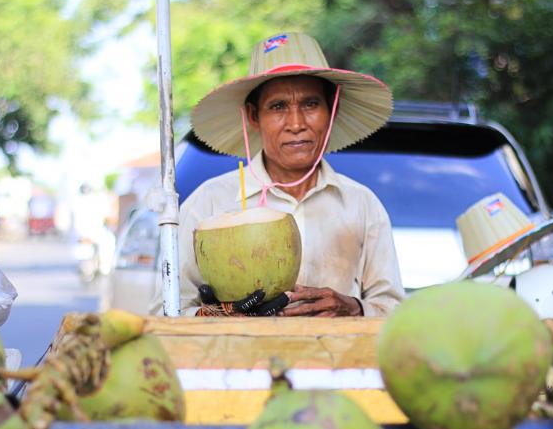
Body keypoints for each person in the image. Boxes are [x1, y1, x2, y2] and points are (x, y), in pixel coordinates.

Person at [151, 32, 404, 317]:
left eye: (310, 104)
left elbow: (393, 309)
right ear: (253, 116)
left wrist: (355, 308)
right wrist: (212, 315)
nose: (296, 123)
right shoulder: (211, 201)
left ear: (332, 110)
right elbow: (166, 309)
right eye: (278, 106)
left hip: (333, 360)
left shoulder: (361, 204)